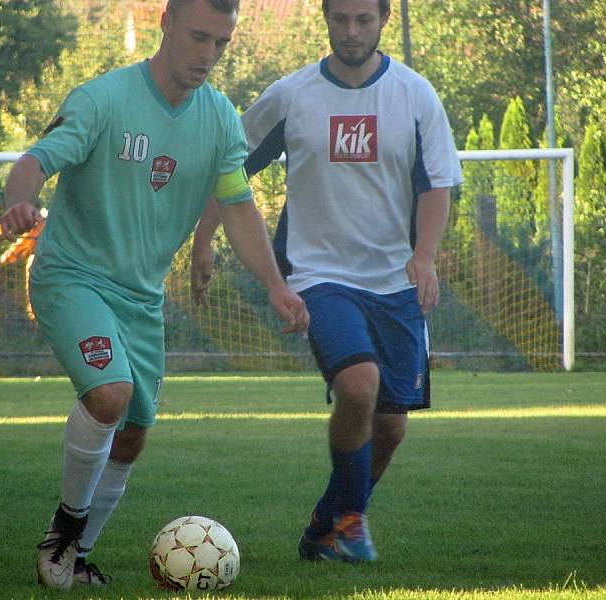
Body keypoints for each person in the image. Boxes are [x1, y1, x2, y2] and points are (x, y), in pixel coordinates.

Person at [1, 0, 309, 589]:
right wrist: (19, 199)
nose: (208, 55)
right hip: (73, 278)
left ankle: (77, 555)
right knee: (110, 395)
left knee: (134, 432)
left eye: (221, 43)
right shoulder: (104, 100)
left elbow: (239, 207)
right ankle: (62, 533)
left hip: (142, 301)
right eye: (198, 37)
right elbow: (34, 163)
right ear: (165, 22)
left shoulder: (219, 118)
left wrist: (276, 286)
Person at [191, 0, 462, 563]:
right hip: (319, 275)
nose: (352, 31)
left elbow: (437, 185)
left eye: (364, 19)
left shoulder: (415, 96)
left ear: (384, 19)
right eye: (342, 19)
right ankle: (351, 520)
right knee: (358, 386)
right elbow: (230, 166)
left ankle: (324, 526)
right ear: (326, 19)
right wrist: (203, 239)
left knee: (390, 429)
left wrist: (426, 255)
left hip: (394, 283)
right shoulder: (292, 96)